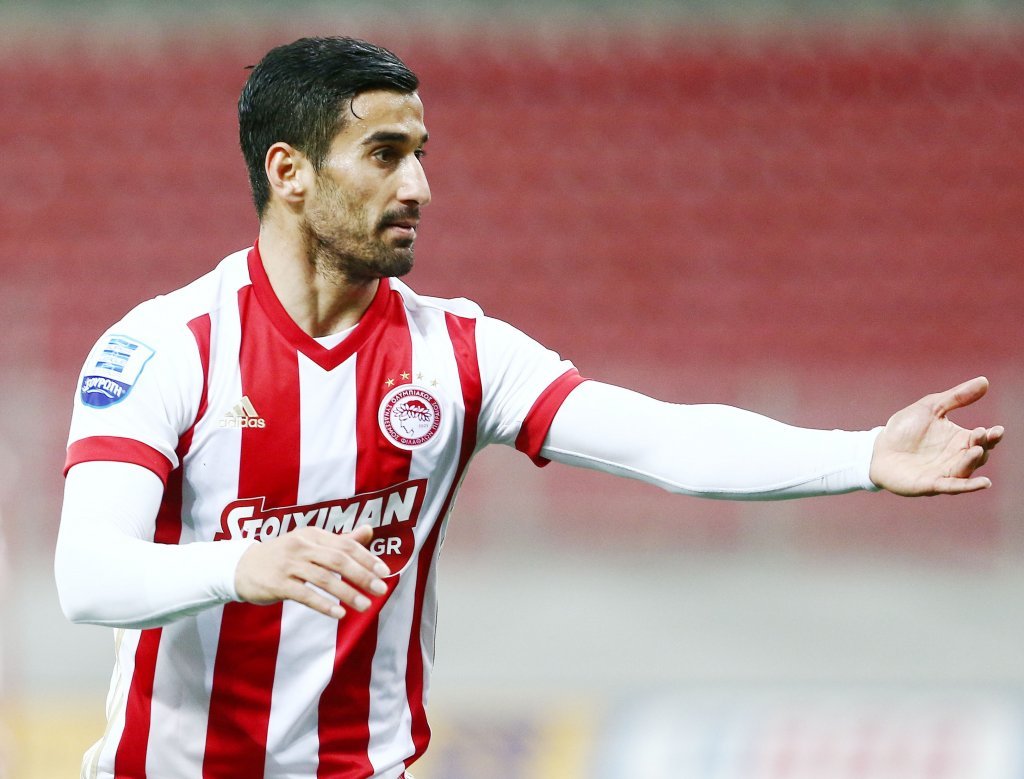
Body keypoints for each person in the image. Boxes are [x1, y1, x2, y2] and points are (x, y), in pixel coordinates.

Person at [54, 36, 1003, 779]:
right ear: (289, 171)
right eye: (384, 155)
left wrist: (861, 454)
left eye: (420, 154)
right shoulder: (167, 347)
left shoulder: (461, 352)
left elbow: (665, 438)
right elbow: (87, 575)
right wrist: (241, 564)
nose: (419, 187)